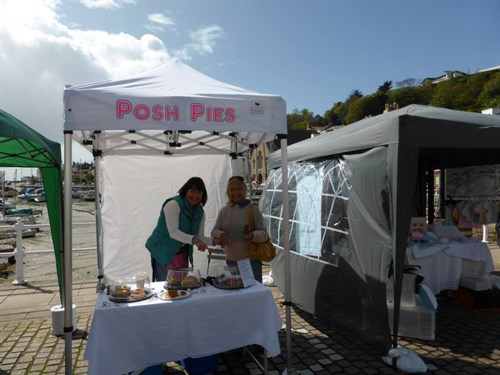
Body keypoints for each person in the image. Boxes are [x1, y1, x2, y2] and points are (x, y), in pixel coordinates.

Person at [145, 177, 216, 282]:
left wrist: (216, 241)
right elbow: (174, 232)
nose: (195, 196)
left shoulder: (200, 212)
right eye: (192, 191)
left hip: (181, 253)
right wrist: (195, 241)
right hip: (162, 251)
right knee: (166, 287)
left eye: (199, 193)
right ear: (185, 191)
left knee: (181, 286)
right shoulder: (173, 204)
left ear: (203, 194)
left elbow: (200, 237)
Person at [211, 176, 269, 283]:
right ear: (228, 192)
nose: (236, 192)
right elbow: (214, 231)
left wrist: (252, 235)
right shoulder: (224, 211)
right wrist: (221, 234)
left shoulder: (253, 210)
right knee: (236, 295)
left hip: (250, 262)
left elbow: (264, 234)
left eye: (239, 189)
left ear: (244, 190)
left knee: (252, 295)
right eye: (232, 189)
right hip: (231, 261)